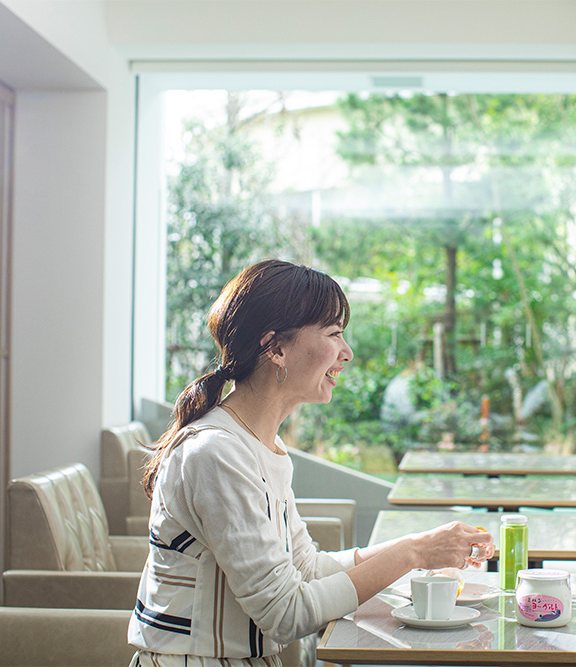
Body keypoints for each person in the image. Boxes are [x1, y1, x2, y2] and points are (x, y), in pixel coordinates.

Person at [128, 259, 493, 667]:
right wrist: (412, 555)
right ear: (277, 348)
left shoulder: (262, 446)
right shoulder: (216, 453)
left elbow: (306, 568)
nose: (347, 352)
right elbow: (285, 614)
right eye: (334, 333)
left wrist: (422, 545)